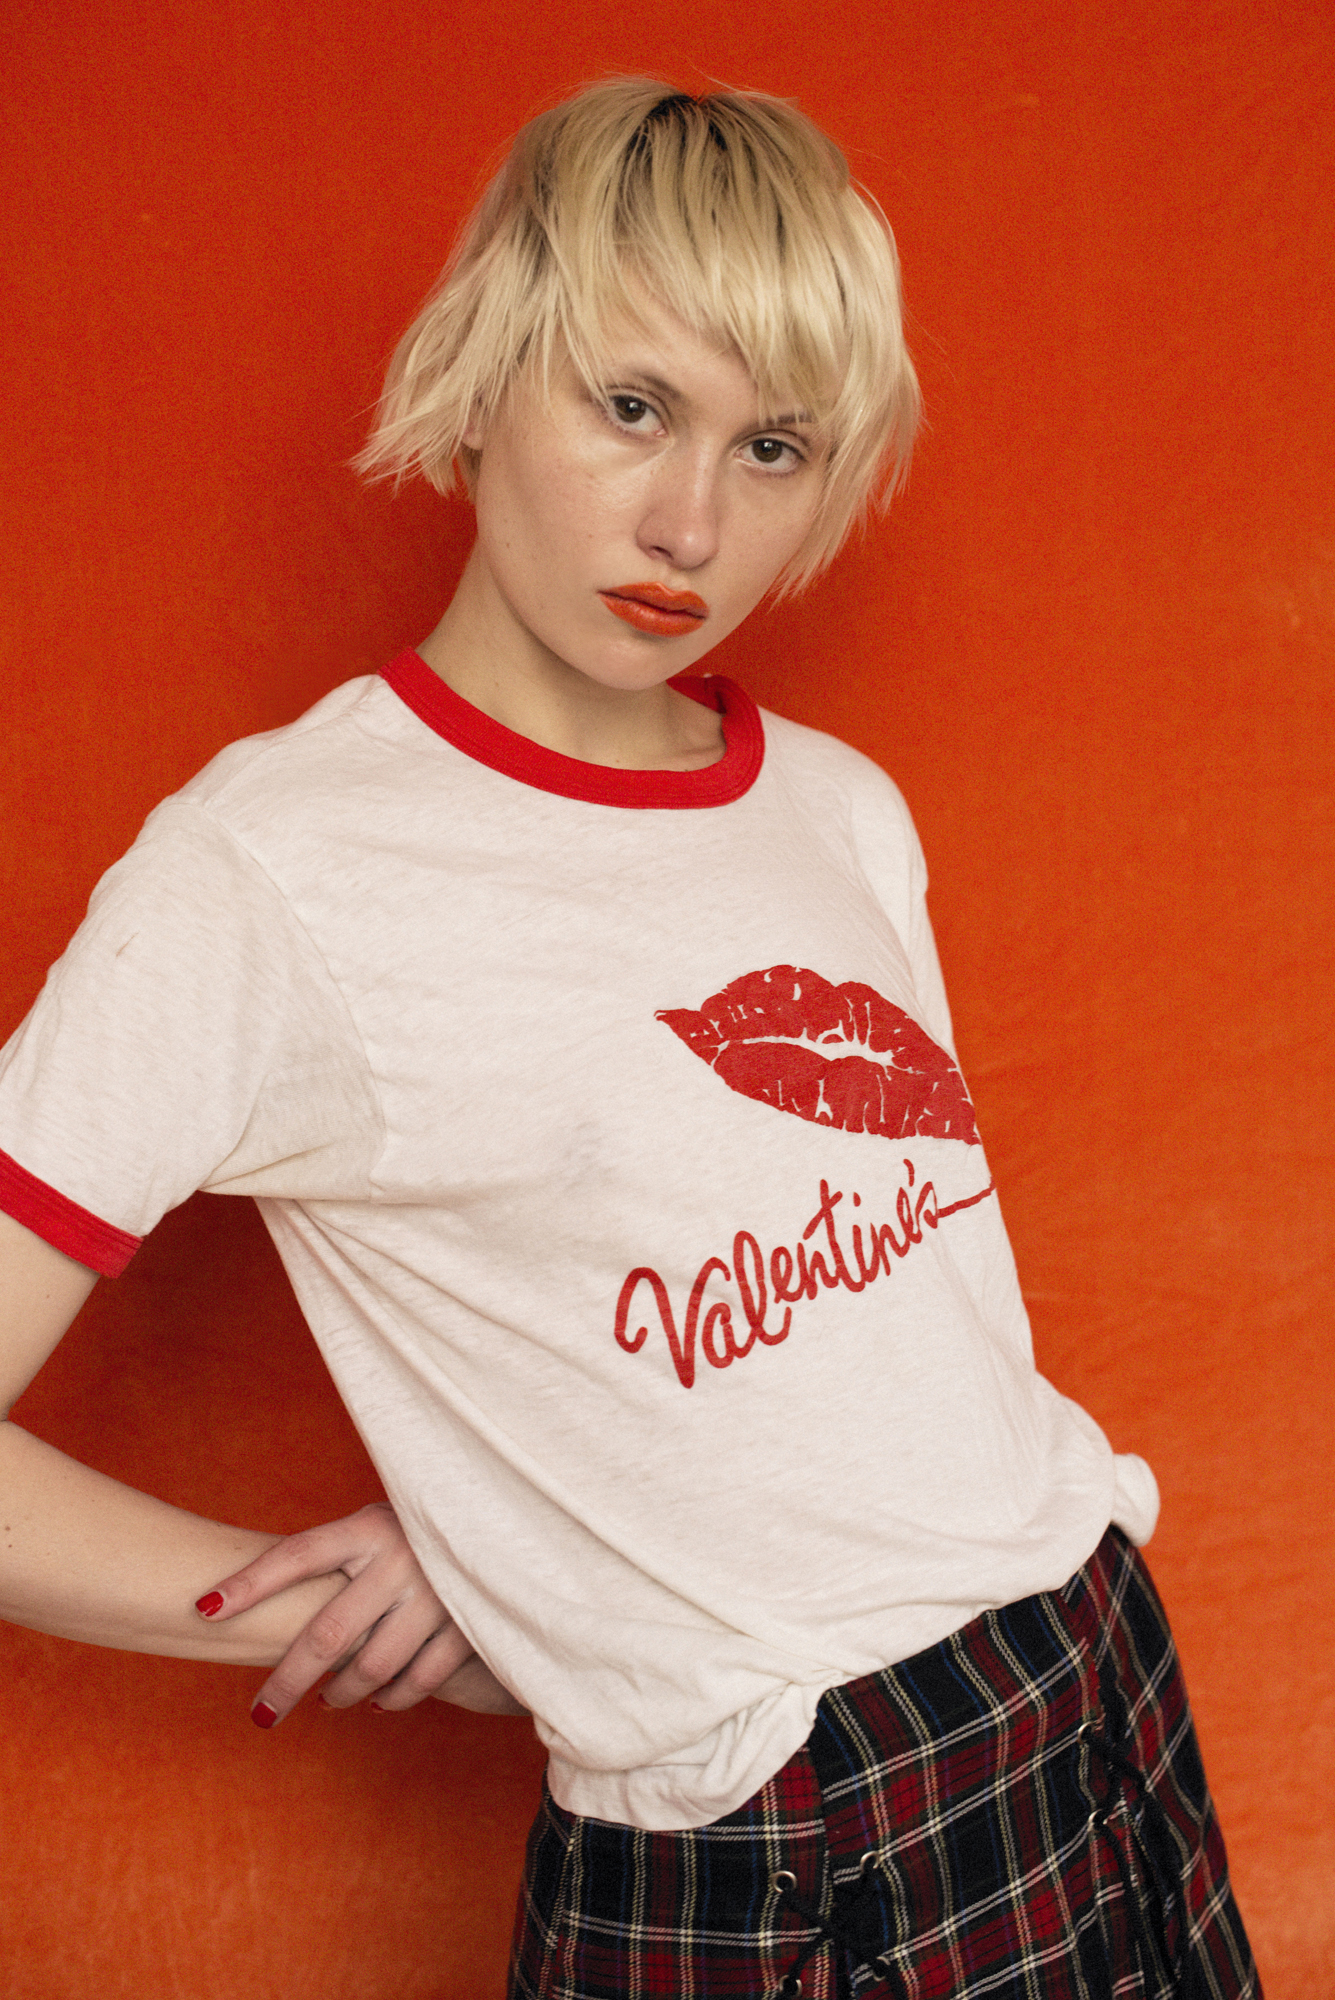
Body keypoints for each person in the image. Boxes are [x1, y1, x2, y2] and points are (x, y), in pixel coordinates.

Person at [0, 78, 1259, 2000]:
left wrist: (539, 1525)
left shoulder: (838, 809)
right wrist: (351, 1597)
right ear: (486, 370)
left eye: (775, 446)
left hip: (1087, 1667)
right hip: (779, 1820)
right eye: (632, 406)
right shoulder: (271, 876)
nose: (691, 523)